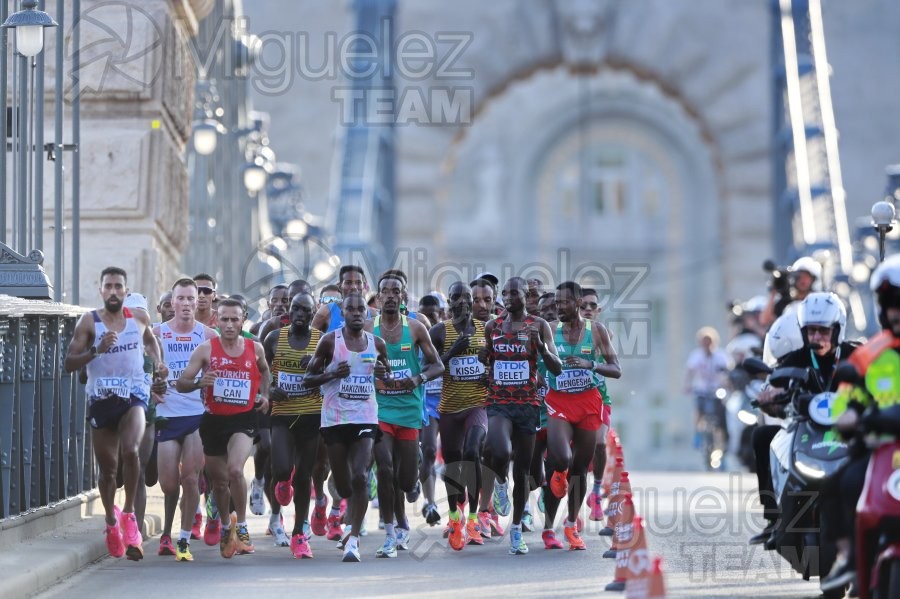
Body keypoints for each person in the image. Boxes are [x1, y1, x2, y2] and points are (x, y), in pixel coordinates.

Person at [64, 266, 167, 560]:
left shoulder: (139, 319)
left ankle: (130, 515)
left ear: (125, 290)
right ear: (101, 291)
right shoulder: (89, 323)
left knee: (132, 451)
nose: (112, 291)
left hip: (133, 396)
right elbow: (69, 363)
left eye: (118, 286)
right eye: (107, 286)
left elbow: (150, 341)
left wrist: (157, 362)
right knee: (108, 472)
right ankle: (111, 520)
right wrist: (96, 351)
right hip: (101, 400)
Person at [751, 293, 857, 555]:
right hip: (806, 429)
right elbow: (773, 384)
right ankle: (773, 517)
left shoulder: (858, 355)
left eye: (823, 331)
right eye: (811, 331)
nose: (817, 337)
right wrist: (768, 397)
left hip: (850, 430)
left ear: (837, 330)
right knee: (762, 435)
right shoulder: (796, 357)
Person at [175, 298, 271, 559]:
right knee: (219, 483)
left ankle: (241, 526)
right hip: (213, 421)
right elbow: (181, 383)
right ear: (217, 320)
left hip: (243, 419)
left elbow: (265, 372)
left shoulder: (255, 348)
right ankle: (226, 528)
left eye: (235, 319)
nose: (229, 324)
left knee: (235, 470)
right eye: (225, 319)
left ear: (243, 320)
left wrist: (265, 396)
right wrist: (199, 382)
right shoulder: (206, 349)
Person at [304, 293, 390, 562]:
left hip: (365, 416)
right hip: (335, 418)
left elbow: (385, 374)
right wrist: (331, 374)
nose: (355, 313)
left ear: (367, 313)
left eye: (360, 309)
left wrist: (382, 374)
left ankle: (353, 538)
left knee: (360, 476)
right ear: (342, 312)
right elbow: (308, 379)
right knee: (343, 484)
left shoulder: (377, 343)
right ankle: (344, 507)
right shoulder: (330, 341)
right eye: (349, 309)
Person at [482, 277, 562, 555]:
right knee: (500, 451)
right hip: (499, 402)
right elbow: (486, 360)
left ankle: (516, 528)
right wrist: (484, 359)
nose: (507, 297)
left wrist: (541, 348)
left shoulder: (538, 326)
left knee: (525, 472)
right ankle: (500, 484)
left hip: (528, 405)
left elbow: (557, 367)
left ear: (525, 295)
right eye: (504, 293)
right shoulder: (493, 326)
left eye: (513, 293)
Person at [367, 274, 444, 558]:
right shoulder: (368, 329)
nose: (389, 295)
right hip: (380, 410)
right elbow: (354, 364)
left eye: (395, 291)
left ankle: (414, 470)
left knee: (406, 480)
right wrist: (370, 370)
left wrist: (417, 378)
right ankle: (392, 530)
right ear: (377, 296)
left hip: (410, 412)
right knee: (385, 469)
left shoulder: (416, 328)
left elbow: (438, 367)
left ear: (403, 296)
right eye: (384, 290)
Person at [544, 282, 621, 550]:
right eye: (556, 303)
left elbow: (616, 369)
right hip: (559, 402)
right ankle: (550, 514)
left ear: (577, 303)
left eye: (564, 302)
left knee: (580, 469)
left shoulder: (597, 331)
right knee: (562, 459)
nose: (558, 307)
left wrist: (591, 364)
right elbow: (535, 362)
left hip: (589, 403)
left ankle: (571, 524)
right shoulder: (550, 330)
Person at [153, 278, 219, 561]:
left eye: (191, 299)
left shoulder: (208, 335)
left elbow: (223, 370)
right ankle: (167, 529)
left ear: (197, 302)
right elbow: (142, 370)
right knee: (169, 484)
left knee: (190, 478)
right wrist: (152, 385)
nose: (186, 304)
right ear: (172, 303)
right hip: (167, 414)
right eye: (181, 299)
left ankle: (179, 539)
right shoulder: (156, 334)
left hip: (197, 414)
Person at [429, 281, 490, 550]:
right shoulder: (438, 331)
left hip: (477, 404)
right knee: (453, 465)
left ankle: (475, 518)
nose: (463, 302)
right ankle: (455, 516)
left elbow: (496, 359)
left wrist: (490, 372)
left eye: (468, 298)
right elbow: (430, 367)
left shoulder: (486, 328)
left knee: (473, 451)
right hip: (449, 408)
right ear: (449, 303)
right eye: (456, 298)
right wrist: (453, 351)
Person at [263, 293, 325, 558]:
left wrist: (315, 369)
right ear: (289, 312)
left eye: (305, 310)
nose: (300, 314)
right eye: (295, 309)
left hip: (311, 415)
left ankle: (299, 534)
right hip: (283, 413)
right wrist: (270, 388)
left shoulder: (322, 341)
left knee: (304, 476)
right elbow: (261, 372)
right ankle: (281, 482)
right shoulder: (274, 339)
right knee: (282, 468)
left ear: (312, 315)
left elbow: (331, 377)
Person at [684, 326, 730, 449]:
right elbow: (690, 371)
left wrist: (727, 384)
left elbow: (727, 372)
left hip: (717, 390)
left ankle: (723, 443)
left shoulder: (720, 356)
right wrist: (687, 385)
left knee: (721, 415)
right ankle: (698, 433)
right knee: (699, 410)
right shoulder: (696, 355)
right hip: (701, 389)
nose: (706, 344)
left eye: (709, 341)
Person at [760, 256, 822, 327]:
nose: (802, 280)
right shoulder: (786, 302)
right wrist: (773, 293)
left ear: (814, 280)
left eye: (806, 276)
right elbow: (764, 320)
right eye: (799, 276)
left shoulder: (818, 302)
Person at [312, 265, 369, 333]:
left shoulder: (374, 314)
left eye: (358, 282)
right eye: (348, 283)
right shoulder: (325, 312)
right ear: (340, 286)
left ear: (364, 286)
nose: (354, 287)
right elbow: (311, 341)